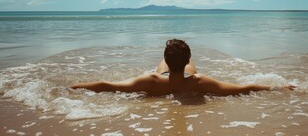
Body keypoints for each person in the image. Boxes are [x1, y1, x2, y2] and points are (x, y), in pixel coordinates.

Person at [70, 39, 295, 96]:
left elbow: (106, 86)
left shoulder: (150, 81)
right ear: (187, 61)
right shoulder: (199, 82)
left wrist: (75, 86)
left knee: (160, 69)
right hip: (186, 77)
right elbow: (243, 88)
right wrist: (279, 88)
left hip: (164, 77)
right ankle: (178, 59)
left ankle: (173, 60)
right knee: (191, 69)